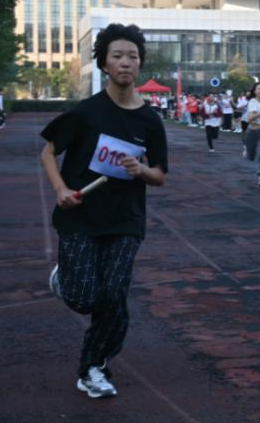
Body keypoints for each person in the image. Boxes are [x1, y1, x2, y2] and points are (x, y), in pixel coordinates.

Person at [40, 23, 168, 399]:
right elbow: (48, 151)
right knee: (84, 298)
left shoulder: (150, 121)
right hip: (80, 216)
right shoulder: (86, 113)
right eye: (117, 56)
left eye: (133, 56)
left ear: (140, 63)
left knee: (113, 295)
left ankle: (94, 367)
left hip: (125, 219)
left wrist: (141, 170)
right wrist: (61, 189)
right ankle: (66, 277)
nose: (126, 62)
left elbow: (160, 175)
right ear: (104, 64)